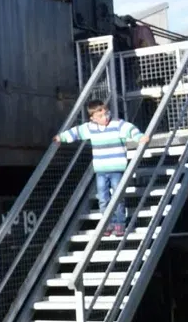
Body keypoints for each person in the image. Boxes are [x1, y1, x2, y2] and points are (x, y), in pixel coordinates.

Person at [55, 100, 144, 237]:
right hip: (101, 171)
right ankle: (107, 224)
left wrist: (140, 137)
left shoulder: (117, 125)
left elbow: (130, 129)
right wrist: (61, 137)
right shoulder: (90, 128)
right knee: (103, 199)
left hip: (116, 169)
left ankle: (120, 224)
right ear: (93, 118)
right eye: (101, 116)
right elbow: (76, 132)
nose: (105, 117)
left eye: (106, 113)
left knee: (118, 197)